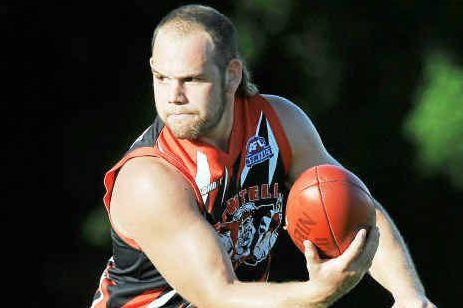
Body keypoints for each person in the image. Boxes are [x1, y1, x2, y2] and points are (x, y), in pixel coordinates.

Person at [91, 4, 436, 308]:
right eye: (161, 78)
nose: (173, 96)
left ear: (231, 75)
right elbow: (219, 297)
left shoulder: (278, 123)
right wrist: (318, 293)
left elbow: (353, 202)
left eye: (192, 79)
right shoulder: (150, 179)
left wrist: (410, 296)